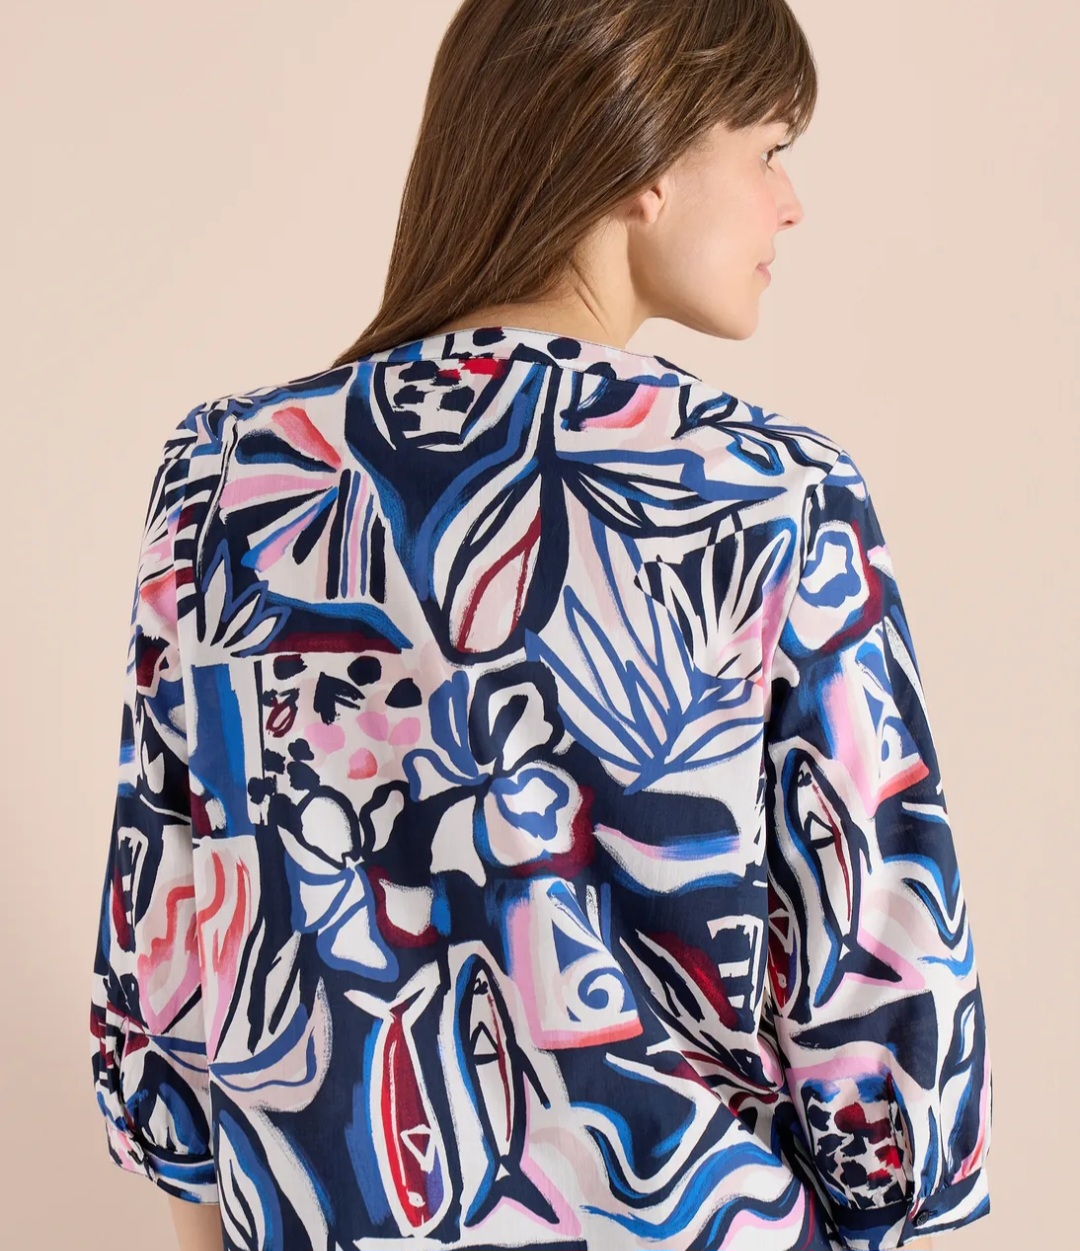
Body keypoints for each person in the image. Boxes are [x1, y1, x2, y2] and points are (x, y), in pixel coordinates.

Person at [87, 2, 991, 1249]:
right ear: (649, 159)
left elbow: (170, 956)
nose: (789, 205)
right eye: (770, 150)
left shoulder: (229, 479)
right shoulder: (776, 499)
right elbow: (879, 976)